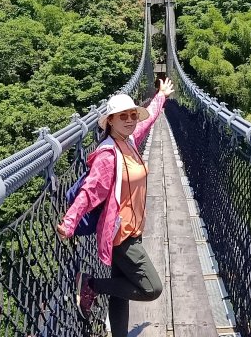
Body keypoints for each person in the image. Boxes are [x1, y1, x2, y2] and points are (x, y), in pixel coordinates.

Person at [55, 78, 174, 337]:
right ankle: (91, 284)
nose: (131, 120)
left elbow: (149, 118)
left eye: (132, 115)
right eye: (123, 116)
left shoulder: (129, 141)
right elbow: (90, 191)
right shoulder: (108, 156)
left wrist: (160, 96)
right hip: (120, 235)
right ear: (110, 121)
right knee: (150, 288)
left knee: (122, 291)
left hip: (134, 228)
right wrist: (69, 222)